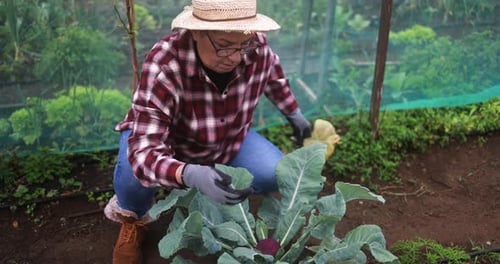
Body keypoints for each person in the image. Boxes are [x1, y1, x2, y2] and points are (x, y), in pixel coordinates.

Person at [104, 0, 311, 263]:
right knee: (136, 174)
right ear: (197, 32)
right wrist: (187, 172)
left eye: (242, 45)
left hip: (228, 139)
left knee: (275, 173)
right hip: (169, 143)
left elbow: (273, 76)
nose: (236, 57)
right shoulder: (166, 63)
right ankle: (133, 219)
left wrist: (293, 113)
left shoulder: (253, 44)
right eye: (224, 46)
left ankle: (217, 198)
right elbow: (145, 151)